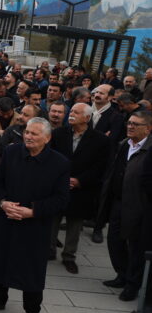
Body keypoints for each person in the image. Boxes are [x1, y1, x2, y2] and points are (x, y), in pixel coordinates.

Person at [0, 118, 70, 313]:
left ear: (47, 138)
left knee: (32, 269)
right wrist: (2, 202)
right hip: (7, 219)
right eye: (27, 132)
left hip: (35, 226)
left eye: (34, 134)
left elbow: (61, 199)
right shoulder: (11, 152)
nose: (28, 136)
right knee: (1, 261)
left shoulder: (59, 163)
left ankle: (32, 310)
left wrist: (33, 211)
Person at [98, 110, 152, 301]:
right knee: (114, 240)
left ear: (148, 128)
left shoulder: (148, 149)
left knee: (136, 246)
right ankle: (121, 274)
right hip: (118, 201)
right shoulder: (124, 144)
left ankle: (133, 284)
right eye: (129, 123)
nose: (130, 126)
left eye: (135, 124)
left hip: (139, 205)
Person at [50, 103, 109, 273]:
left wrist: (80, 180)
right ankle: (49, 250)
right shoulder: (58, 133)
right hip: (57, 185)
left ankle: (69, 256)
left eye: (76, 112)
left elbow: (100, 166)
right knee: (52, 219)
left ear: (87, 118)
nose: (71, 114)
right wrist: (60, 178)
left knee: (74, 224)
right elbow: (51, 157)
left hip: (82, 188)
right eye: (72, 111)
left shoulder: (100, 140)